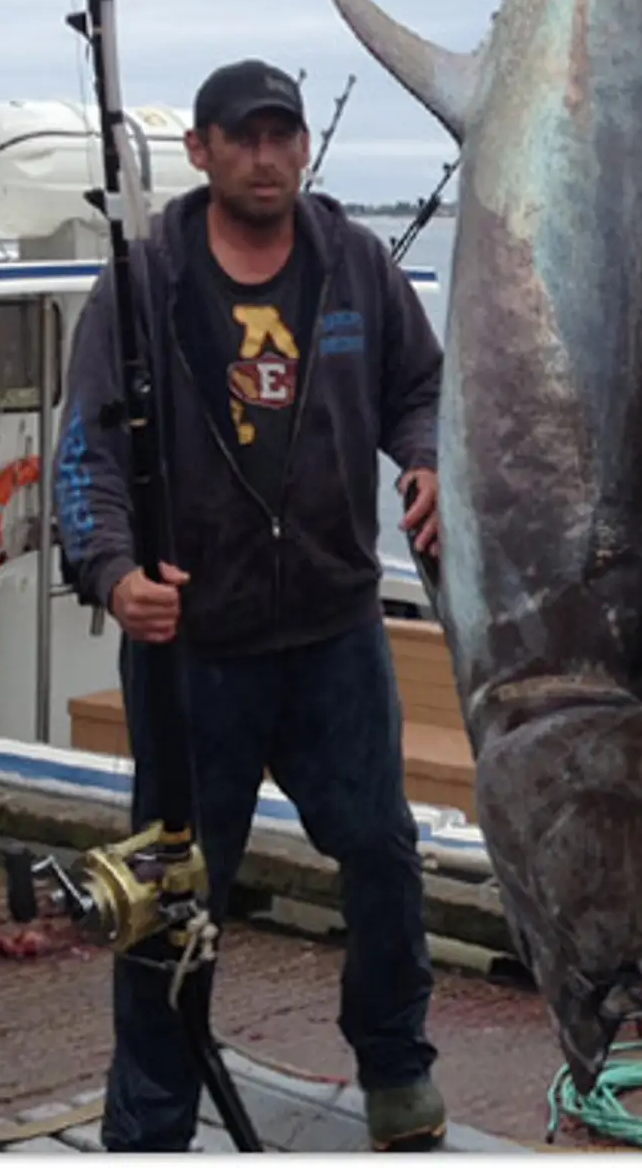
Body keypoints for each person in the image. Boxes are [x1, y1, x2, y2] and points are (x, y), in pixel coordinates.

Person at [54, 58, 450, 1152]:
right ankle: (152, 1112)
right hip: (194, 651)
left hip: (333, 632)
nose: (267, 155)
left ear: (304, 147)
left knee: (380, 852)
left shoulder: (356, 262)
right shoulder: (144, 281)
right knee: (171, 890)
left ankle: (395, 1061)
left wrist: (425, 461)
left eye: (284, 135)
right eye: (244, 136)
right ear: (202, 149)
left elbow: (421, 389)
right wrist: (113, 573)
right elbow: (85, 446)